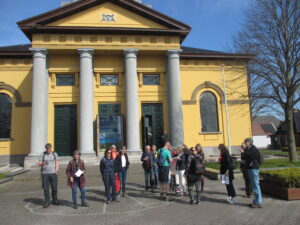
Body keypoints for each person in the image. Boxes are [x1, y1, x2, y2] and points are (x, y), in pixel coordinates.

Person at [242, 138, 263, 208]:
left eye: (245, 142)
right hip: (250, 168)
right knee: (254, 186)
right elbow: (246, 156)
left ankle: (258, 202)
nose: (245, 143)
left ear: (249, 142)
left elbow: (250, 155)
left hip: (253, 169)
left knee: (256, 185)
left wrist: (243, 151)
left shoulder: (253, 149)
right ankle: (255, 201)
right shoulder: (249, 148)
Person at [38, 143, 59, 208]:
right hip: (45, 174)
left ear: (51, 148)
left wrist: (57, 170)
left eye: (49, 149)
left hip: (53, 173)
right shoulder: (43, 154)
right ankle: (47, 201)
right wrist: (43, 163)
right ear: (46, 149)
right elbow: (39, 163)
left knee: (54, 188)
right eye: (47, 149)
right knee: (46, 188)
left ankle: (55, 200)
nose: (48, 150)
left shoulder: (54, 154)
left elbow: (57, 162)